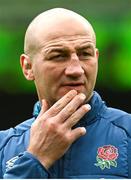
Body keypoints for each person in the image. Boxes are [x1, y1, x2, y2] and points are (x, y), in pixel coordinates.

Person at [0, 7, 131, 179]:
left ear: (97, 58)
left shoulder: (127, 132)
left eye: (85, 54)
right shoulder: (3, 146)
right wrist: (36, 159)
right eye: (58, 56)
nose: (76, 70)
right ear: (28, 67)